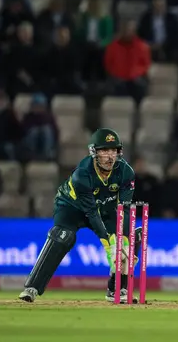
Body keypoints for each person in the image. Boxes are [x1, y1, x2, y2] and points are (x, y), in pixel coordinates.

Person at [18, 128, 138, 304]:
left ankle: (117, 287)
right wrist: (108, 247)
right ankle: (32, 287)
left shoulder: (126, 172)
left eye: (113, 150)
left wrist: (120, 242)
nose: (110, 156)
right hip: (71, 207)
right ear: (94, 152)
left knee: (124, 238)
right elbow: (91, 213)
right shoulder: (82, 174)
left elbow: (124, 210)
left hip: (105, 208)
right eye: (104, 150)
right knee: (62, 236)